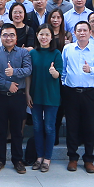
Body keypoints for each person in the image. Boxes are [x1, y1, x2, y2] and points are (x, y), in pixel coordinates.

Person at [0, 23, 31, 174]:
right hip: (0, 96)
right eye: (5, 35)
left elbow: (28, 70)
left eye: (12, 35)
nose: (8, 38)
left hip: (18, 97)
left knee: (17, 131)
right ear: (0, 37)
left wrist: (14, 72)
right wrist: (7, 84)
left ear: (16, 37)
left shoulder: (24, 53)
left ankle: (17, 160)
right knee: (0, 130)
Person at [61, 21, 94, 173]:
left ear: (90, 32)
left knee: (89, 127)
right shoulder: (68, 48)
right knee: (72, 126)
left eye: (85, 30)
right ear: (75, 33)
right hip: (71, 92)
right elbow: (63, 69)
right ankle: (72, 157)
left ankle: (89, 159)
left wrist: (90, 70)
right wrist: (64, 82)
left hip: (89, 93)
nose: (82, 33)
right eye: (79, 30)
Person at [28, 25, 61, 172]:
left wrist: (54, 72)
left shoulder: (56, 53)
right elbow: (29, 75)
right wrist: (27, 94)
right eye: (41, 34)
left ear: (51, 37)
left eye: (47, 35)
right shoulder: (33, 53)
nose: (44, 37)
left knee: (49, 127)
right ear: (37, 35)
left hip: (51, 96)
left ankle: (47, 158)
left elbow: (59, 74)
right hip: (35, 95)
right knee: (37, 127)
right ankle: (39, 157)